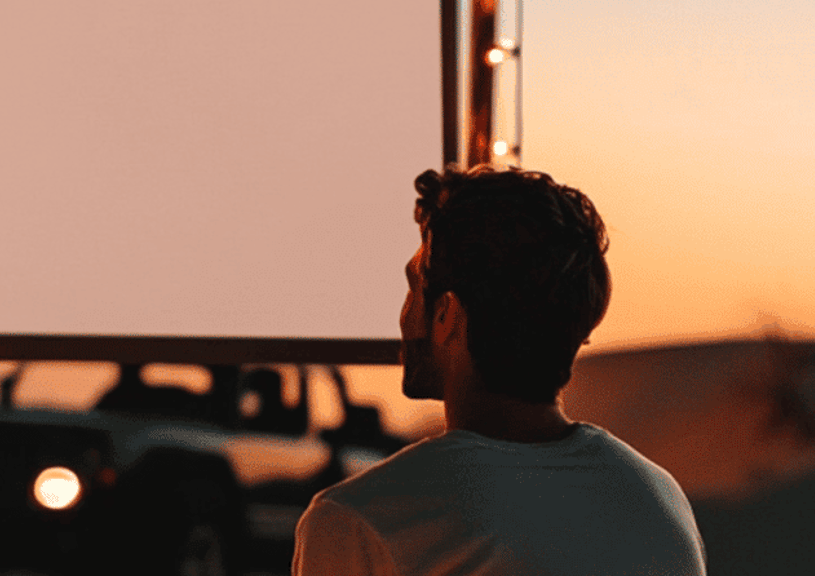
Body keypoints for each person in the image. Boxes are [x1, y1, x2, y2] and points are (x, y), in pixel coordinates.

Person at [292, 166, 706, 575]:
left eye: (413, 289)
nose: (404, 315)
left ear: (447, 315)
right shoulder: (659, 502)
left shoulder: (362, 521)